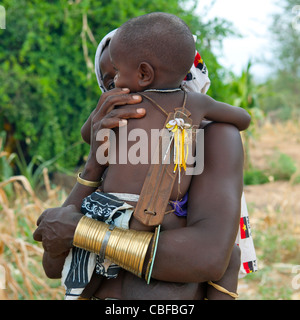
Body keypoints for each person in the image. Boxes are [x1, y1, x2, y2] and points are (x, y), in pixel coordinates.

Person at [33, 13, 254, 300]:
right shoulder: (114, 144)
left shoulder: (213, 137)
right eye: (109, 85)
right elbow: (55, 265)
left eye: (119, 77)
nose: (118, 92)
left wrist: (81, 231)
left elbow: (208, 258)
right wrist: (93, 166)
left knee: (229, 260)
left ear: (145, 75)